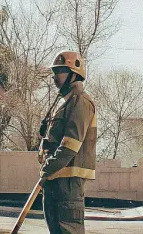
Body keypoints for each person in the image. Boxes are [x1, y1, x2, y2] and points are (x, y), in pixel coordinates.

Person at [38, 51, 97, 234]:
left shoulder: (81, 101)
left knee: (68, 230)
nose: (55, 76)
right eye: (54, 72)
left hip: (68, 183)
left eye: (61, 71)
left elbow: (71, 144)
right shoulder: (64, 102)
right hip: (54, 178)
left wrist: (49, 167)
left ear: (74, 73)